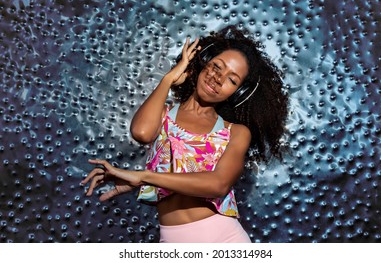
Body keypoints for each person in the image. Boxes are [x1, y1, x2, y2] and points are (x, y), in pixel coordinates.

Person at [81, 25, 289, 243]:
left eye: (232, 79)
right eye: (217, 66)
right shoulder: (164, 115)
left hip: (223, 239)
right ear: (202, 62)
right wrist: (168, 79)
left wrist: (144, 177)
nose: (218, 78)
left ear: (238, 92)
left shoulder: (235, 132)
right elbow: (141, 133)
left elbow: (218, 184)